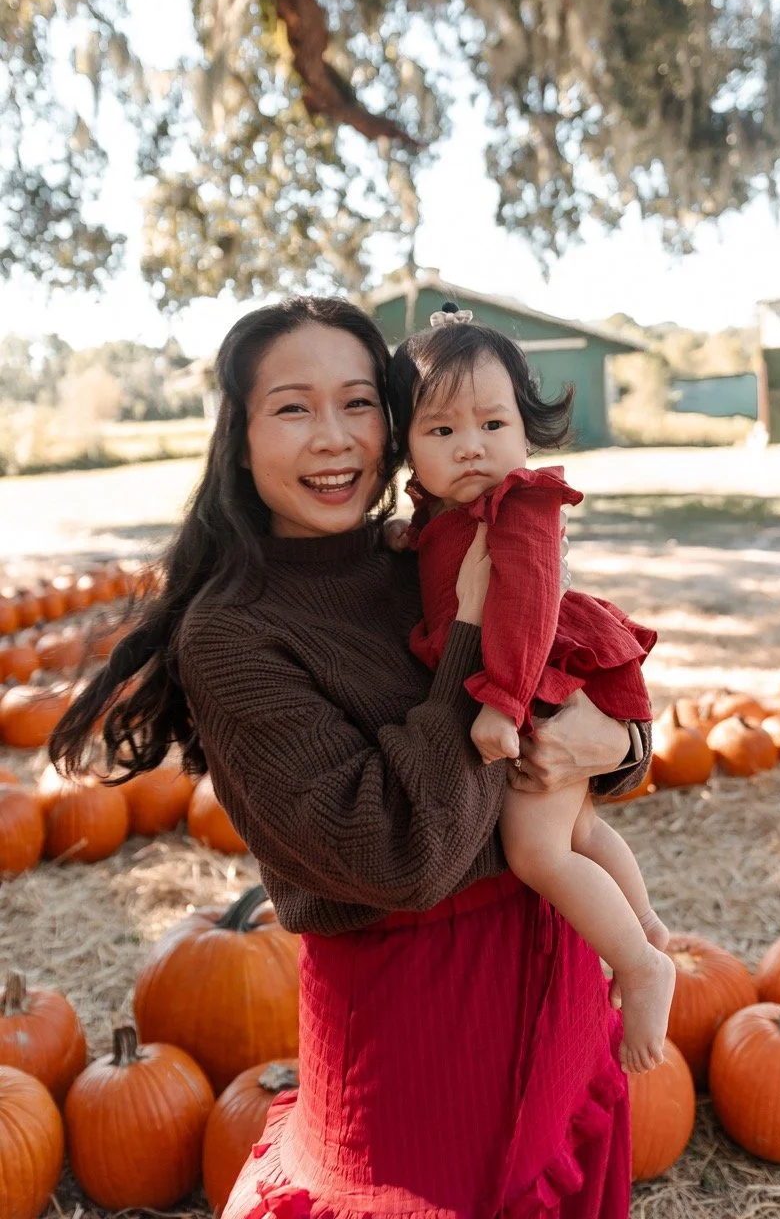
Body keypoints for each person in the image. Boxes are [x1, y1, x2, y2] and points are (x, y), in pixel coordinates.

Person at [50, 296, 653, 1219]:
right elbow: (397, 858)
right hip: (419, 1044)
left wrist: (614, 746)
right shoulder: (233, 634)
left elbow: (562, 689)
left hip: (558, 988)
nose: (333, 438)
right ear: (239, 436)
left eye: (358, 403)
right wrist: (464, 636)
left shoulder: (424, 548)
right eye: (292, 407)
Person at [387, 303, 674, 1074]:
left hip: (531, 683)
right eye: (441, 432)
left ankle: (642, 966)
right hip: (527, 686)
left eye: (491, 423)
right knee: (578, 833)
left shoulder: (520, 505)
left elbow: (524, 603)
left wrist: (503, 702)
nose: (470, 446)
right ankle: (641, 922)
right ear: (407, 448)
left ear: (525, 429)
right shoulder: (447, 512)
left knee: (537, 853)